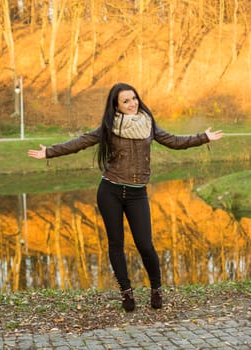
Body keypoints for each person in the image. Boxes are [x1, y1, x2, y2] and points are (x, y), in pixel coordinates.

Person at [28, 82, 223, 312]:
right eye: (126, 101)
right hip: (109, 191)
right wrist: (50, 151)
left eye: (134, 98)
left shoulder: (148, 124)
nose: (132, 104)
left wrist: (203, 137)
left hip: (137, 193)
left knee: (145, 244)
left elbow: (174, 141)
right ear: (117, 106)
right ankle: (126, 293)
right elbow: (81, 142)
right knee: (116, 244)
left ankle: (156, 289)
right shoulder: (109, 127)